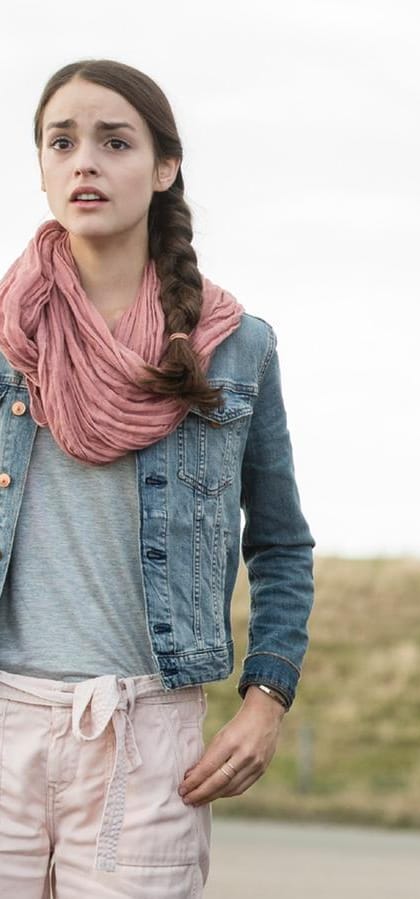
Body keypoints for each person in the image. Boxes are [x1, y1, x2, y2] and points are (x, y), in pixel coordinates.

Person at [0, 60, 313, 896]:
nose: (84, 161)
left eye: (114, 142)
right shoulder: (4, 337)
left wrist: (267, 695)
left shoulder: (236, 346)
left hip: (147, 736)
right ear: (41, 167)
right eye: (61, 142)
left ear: (165, 167)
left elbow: (281, 544)